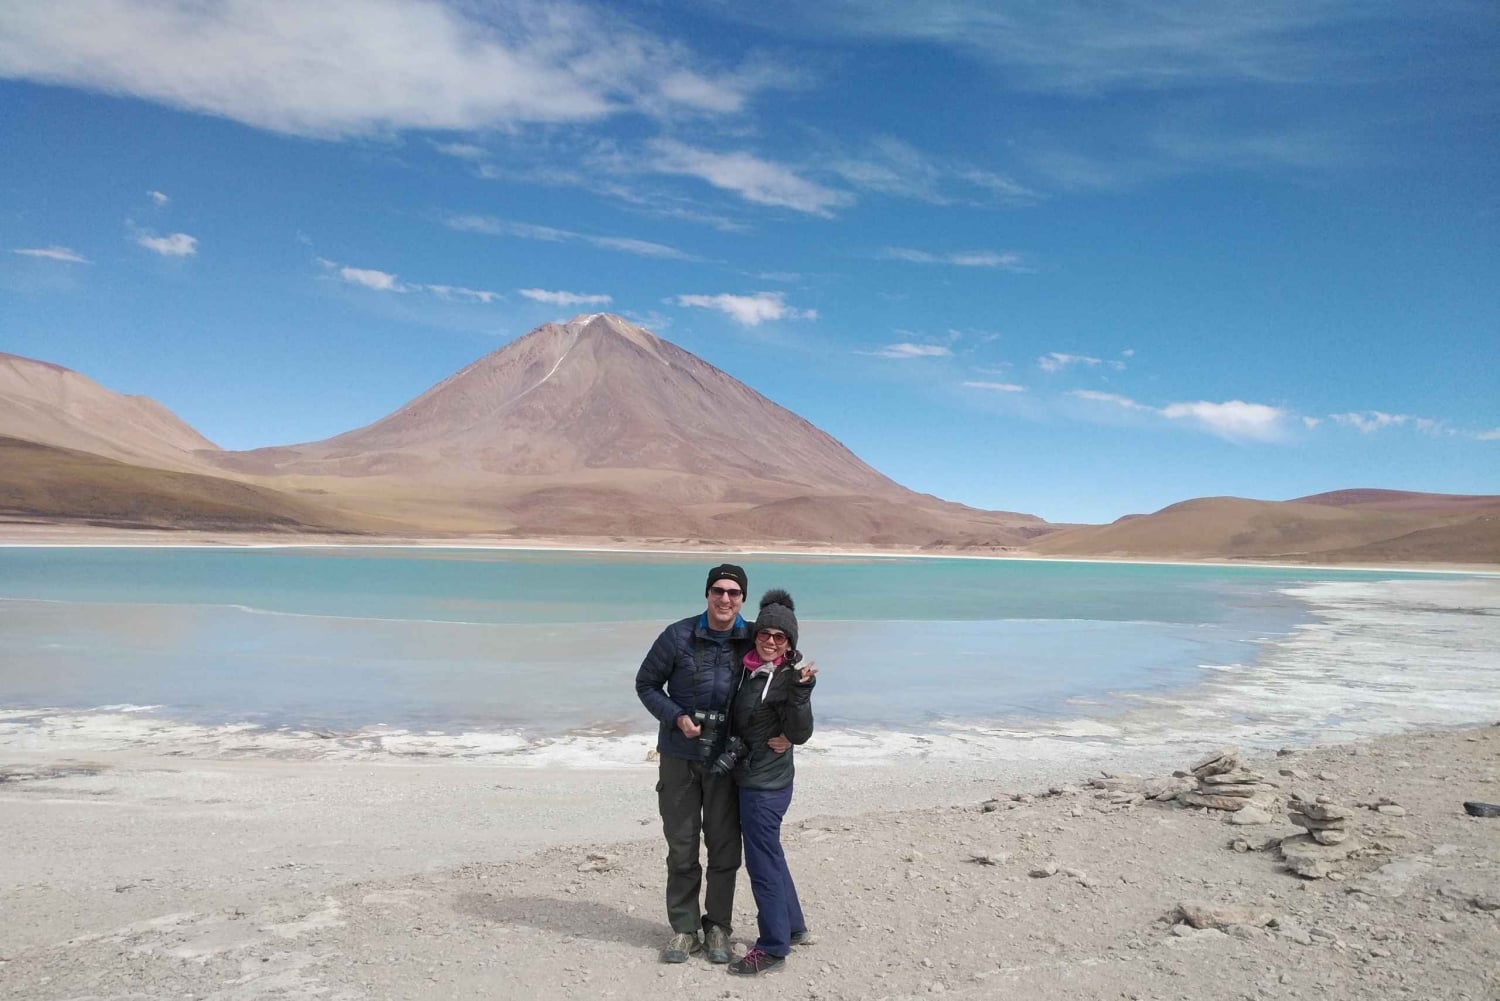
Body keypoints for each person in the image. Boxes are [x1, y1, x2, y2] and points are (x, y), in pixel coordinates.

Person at [634, 563, 752, 964]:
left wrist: (803, 688)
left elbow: (786, 665)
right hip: (680, 758)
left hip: (726, 760)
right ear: (707, 594)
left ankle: (717, 926)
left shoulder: (752, 639)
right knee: (682, 848)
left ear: (742, 600)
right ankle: (685, 929)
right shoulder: (677, 635)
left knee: (723, 848)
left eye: (733, 593)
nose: (724, 599)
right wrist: (676, 716)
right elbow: (646, 684)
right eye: (718, 591)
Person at [725, 589, 817, 977]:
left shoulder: (787, 679)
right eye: (765, 634)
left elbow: (801, 730)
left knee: (761, 863)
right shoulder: (747, 668)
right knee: (771, 854)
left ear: (790, 644)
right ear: (756, 634)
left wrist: (801, 693)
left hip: (766, 785)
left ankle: (773, 947)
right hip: (754, 775)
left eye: (781, 638)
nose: (771, 642)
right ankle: (793, 927)